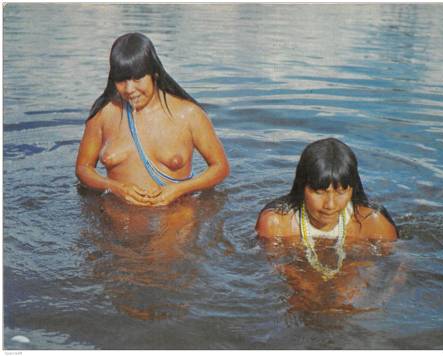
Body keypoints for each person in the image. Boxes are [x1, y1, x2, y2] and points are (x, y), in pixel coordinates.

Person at [76, 33, 229, 206]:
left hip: (175, 216)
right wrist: (115, 187)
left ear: (154, 74)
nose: (129, 89)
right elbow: (83, 168)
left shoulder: (189, 114)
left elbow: (220, 167)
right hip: (117, 220)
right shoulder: (104, 114)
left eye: (137, 78)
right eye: (121, 81)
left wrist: (180, 189)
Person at [256, 137, 400, 312]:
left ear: (352, 188)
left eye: (341, 192)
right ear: (302, 186)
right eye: (319, 192)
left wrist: (373, 302)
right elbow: (276, 271)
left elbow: (396, 269)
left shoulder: (373, 222)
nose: (330, 205)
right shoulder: (276, 222)